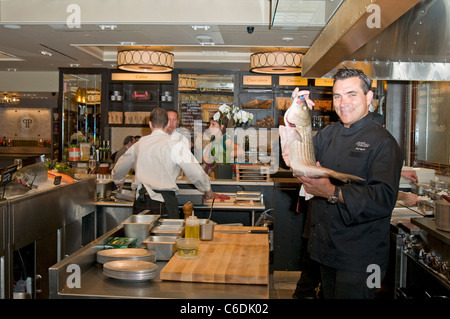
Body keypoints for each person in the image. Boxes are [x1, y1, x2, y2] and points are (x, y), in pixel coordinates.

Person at [296, 68, 403, 299]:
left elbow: (383, 199)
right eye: (337, 96)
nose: (343, 103)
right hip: (326, 251)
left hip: (362, 258)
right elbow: (293, 158)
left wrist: (332, 192)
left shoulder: (384, 143)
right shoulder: (328, 134)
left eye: (352, 94)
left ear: (369, 97)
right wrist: (297, 118)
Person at [112, 108, 214, 218]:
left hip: (141, 201)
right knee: (168, 235)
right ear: (166, 124)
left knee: (141, 235)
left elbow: (121, 165)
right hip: (164, 202)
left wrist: (118, 180)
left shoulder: (139, 144)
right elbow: (196, 172)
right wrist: (207, 189)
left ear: (150, 124)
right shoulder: (175, 144)